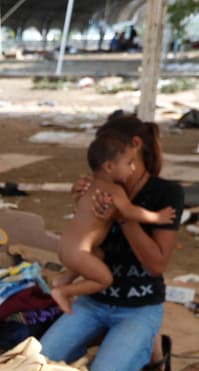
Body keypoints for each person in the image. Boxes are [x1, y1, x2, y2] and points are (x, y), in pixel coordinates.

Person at [38, 112, 183, 371]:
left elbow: (156, 264)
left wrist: (123, 218)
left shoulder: (166, 193)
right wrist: (80, 202)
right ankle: (146, 347)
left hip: (138, 307)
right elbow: (87, 234)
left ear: (136, 146)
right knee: (36, 366)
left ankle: (149, 346)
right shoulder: (99, 186)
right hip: (94, 301)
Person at [50, 129, 175, 316]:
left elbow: (78, 201)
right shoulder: (114, 190)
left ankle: (64, 281)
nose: (133, 168)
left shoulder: (88, 185)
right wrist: (158, 217)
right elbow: (129, 212)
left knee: (99, 254)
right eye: (129, 163)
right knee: (104, 279)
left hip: (66, 246)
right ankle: (63, 292)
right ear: (109, 167)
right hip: (79, 253)